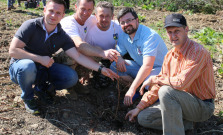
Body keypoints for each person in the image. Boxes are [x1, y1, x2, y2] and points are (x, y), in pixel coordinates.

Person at [8, 0, 118, 115]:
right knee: (28, 66)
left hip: (43, 68)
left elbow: (78, 56)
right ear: (44, 10)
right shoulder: (31, 25)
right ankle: (28, 97)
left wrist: (101, 69)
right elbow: (13, 51)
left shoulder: (61, 35)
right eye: (51, 11)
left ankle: (42, 88)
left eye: (58, 13)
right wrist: (40, 59)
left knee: (71, 77)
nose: (53, 15)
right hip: (21, 68)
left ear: (62, 15)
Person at [125, 13, 216, 135]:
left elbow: (181, 83)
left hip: (202, 106)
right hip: (179, 102)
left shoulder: (198, 52)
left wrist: (154, 79)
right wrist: (139, 107)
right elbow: (158, 85)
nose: (173, 36)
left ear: (186, 29)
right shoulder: (169, 55)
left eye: (177, 31)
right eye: (169, 32)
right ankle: (188, 124)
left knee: (166, 92)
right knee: (144, 118)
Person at [110, 7, 168, 106]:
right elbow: (118, 52)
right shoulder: (124, 35)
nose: (126, 24)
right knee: (114, 66)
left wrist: (131, 89)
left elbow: (148, 66)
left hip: (160, 70)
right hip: (141, 67)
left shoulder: (149, 36)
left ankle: (152, 98)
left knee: (148, 81)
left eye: (129, 20)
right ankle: (138, 88)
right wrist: (119, 58)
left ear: (137, 20)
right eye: (122, 22)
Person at [85, 1, 123, 88]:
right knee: (102, 85)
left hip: (117, 57)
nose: (104, 19)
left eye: (107, 16)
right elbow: (87, 53)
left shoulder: (119, 27)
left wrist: (120, 57)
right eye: (101, 16)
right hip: (99, 60)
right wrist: (85, 72)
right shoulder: (90, 32)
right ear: (95, 16)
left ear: (112, 17)